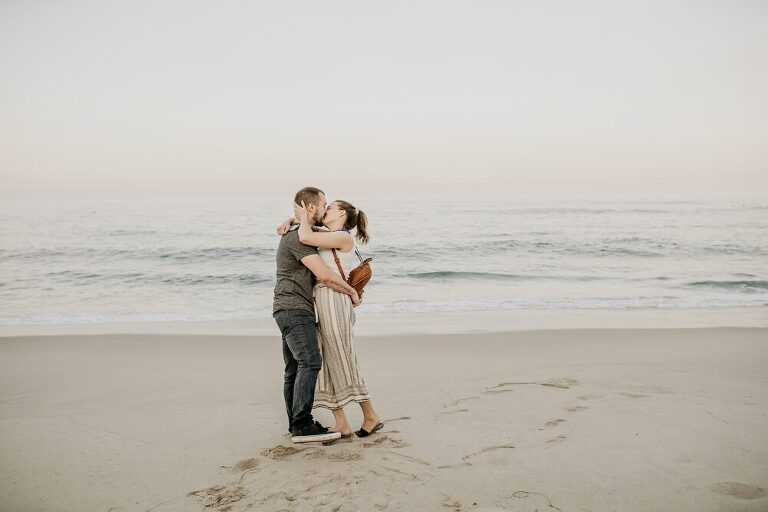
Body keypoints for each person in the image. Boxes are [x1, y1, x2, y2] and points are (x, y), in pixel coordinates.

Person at [278, 198, 383, 438]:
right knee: (325, 361)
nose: (325, 209)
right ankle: (342, 423)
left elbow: (304, 236)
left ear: (342, 213)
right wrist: (289, 220)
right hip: (320, 299)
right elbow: (303, 229)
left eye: (330, 207)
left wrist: (302, 216)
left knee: (342, 357)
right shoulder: (326, 232)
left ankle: (370, 415)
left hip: (334, 297)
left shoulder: (344, 237)